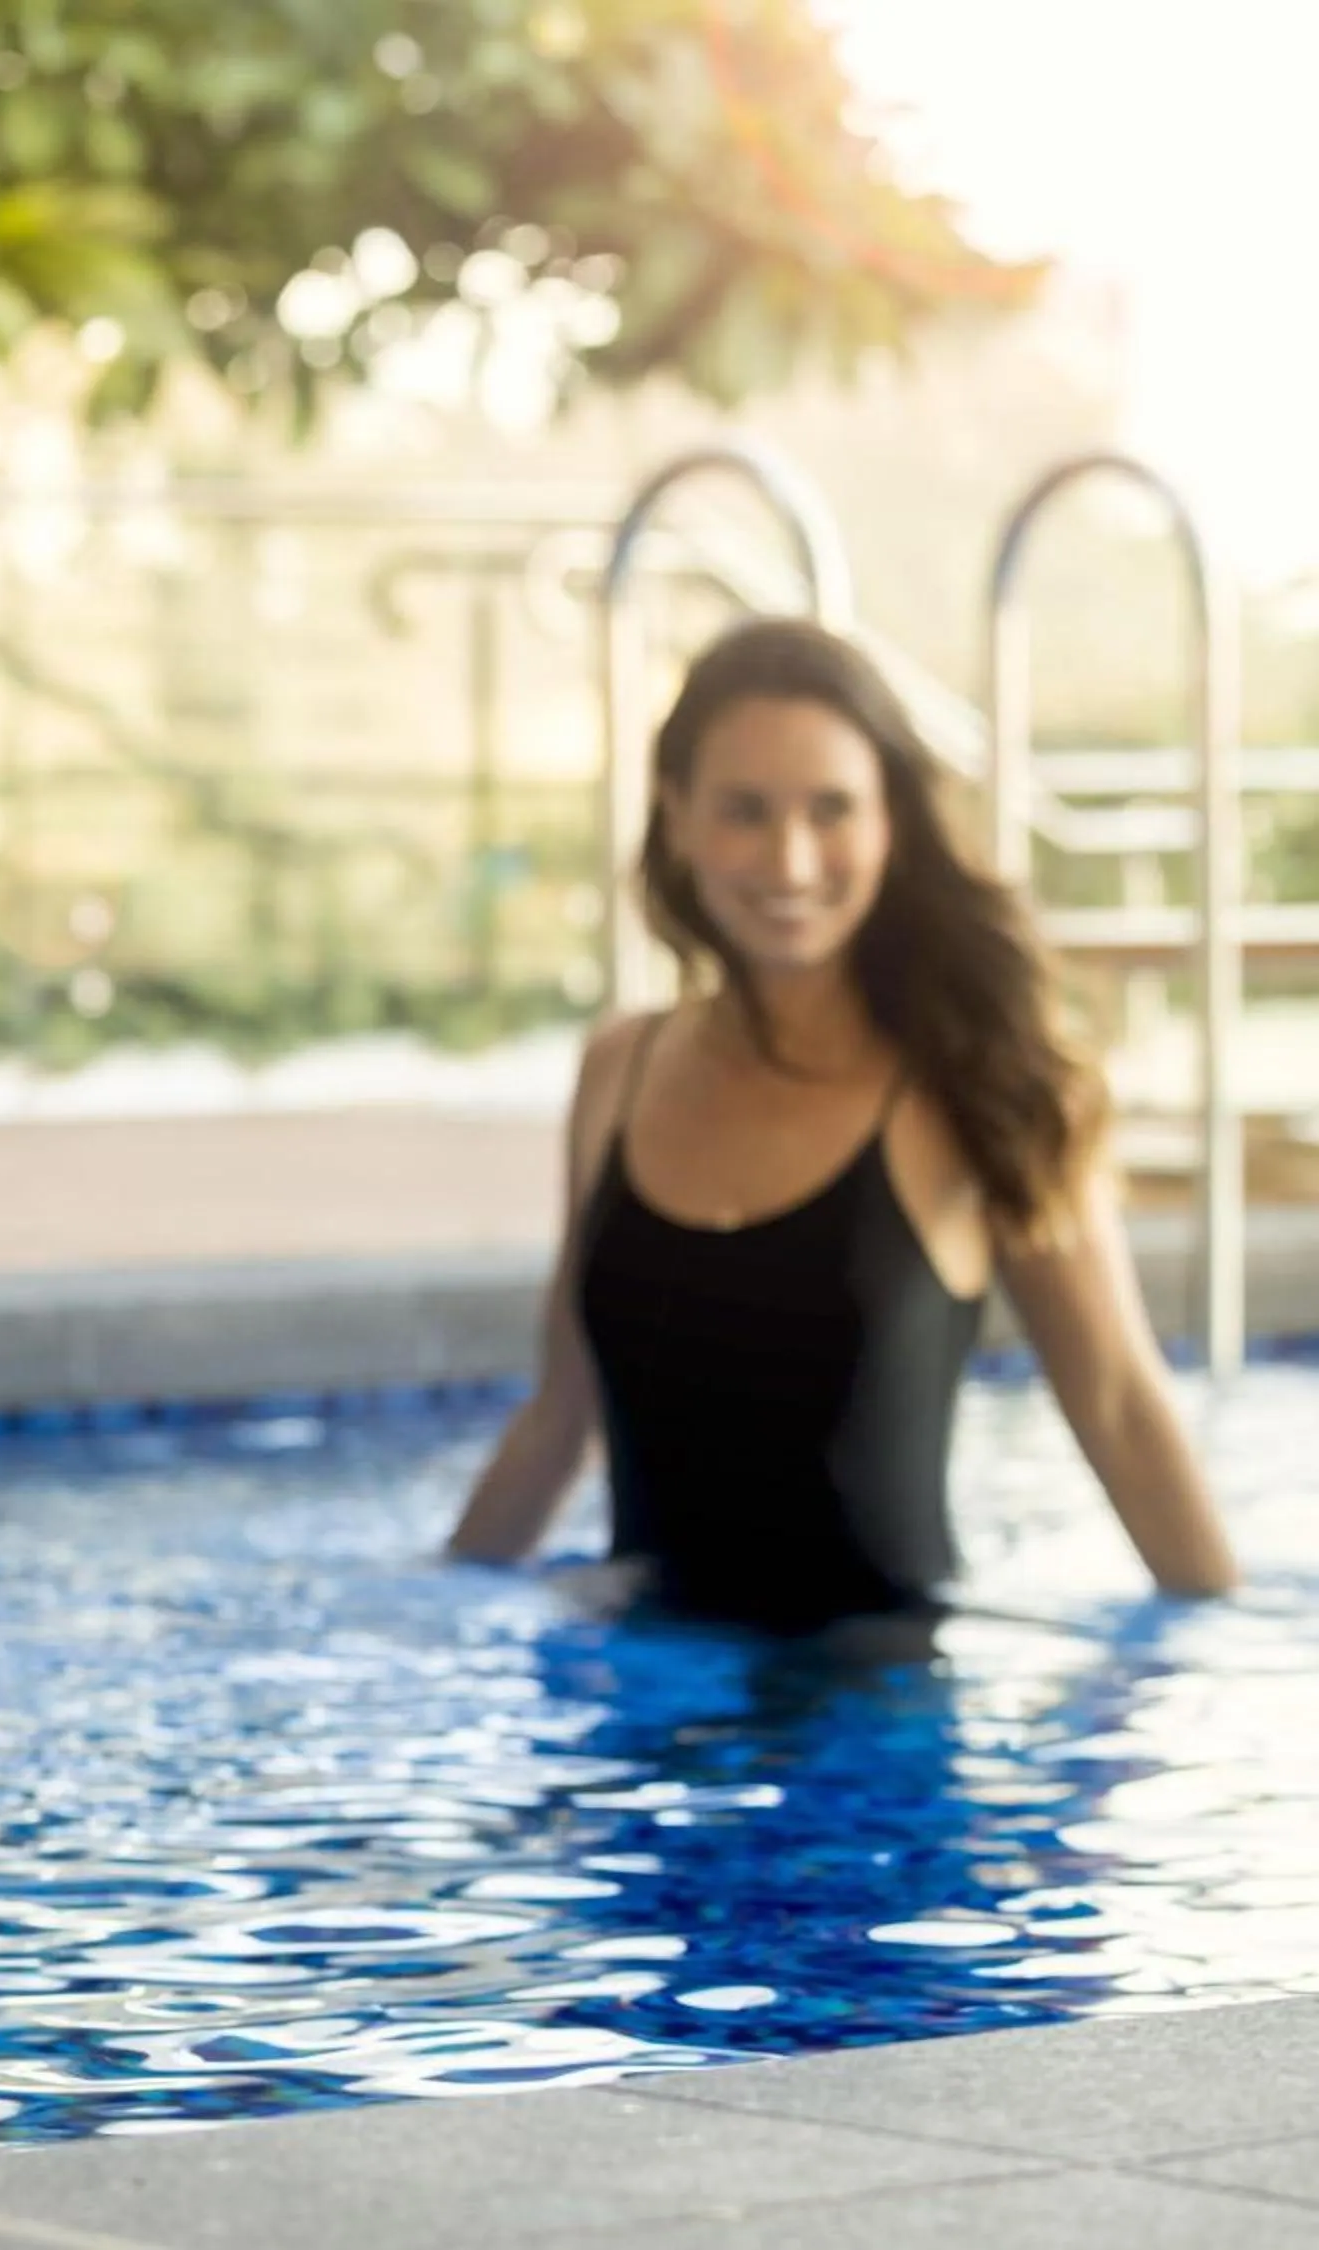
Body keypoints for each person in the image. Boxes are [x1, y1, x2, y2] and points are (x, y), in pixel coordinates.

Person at [449, 617, 1238, 1630]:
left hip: (879, 1740)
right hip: (647, 1717)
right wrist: (435, 1608)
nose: (790, 859)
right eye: (744, 810)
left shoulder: (979, 1086)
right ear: (676, 816)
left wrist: (1224, 1667)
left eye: (832, 810)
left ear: (890, 825)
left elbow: (1121, 1407)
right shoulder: (619, 1069)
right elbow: (562, 1413)